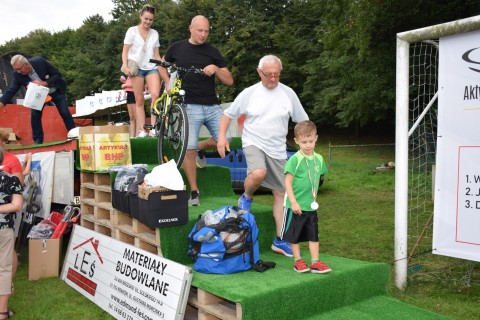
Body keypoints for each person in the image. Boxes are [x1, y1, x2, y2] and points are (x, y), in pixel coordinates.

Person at [217, 55, 308, 257]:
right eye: (269, 75)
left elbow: (302, 122)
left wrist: (307, 145)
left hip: (278, 149)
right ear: (260, 73)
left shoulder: (288, 94)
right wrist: (222, 136)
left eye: (277, 74)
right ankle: (246, 196)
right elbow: (228, 115)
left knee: (281, 194)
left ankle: (280, 240)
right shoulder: (250, 93)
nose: (273, 79)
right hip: (253, 143)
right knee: (258, 173)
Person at [162, 15, 234, 206]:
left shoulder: (212, 52)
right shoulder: (177, 48)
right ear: (190, 28)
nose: (203, 34)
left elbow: (229, 80)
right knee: (188, 149)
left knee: (227, 142)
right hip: (188, 106)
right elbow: (162, 64)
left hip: (211, 105)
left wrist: (216, 69)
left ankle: (201, 148)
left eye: (207, 31)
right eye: (200, 30)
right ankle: (194, 192)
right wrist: (168, 84)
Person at [282, 120, 330, 273]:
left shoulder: (319, 159)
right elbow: (288, 182)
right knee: (294, 235)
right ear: (296, 141)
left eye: (310, 141)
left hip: (310, 205)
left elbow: (316, 178)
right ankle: (298, 261)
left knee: (313, 234)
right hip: (294, 205)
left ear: (316, 138)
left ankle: (315, 261)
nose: (308, 145)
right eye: (304, 142)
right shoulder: (294, 160)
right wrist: (294, 202)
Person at [0, 55, 76, 145]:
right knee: (35, 115)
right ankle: (38, 140)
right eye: (16, 69)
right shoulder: (17, 75)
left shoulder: (40, 62)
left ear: (26, 64)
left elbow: (57, 74)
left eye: (19, 69)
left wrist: (44, 83)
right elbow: (12, 90)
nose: (18, 72)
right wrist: (2, 102)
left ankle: (74, 136)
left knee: (64, 112)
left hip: (55, 90)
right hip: (39, 95)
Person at [122, 4, 169, 138]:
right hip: (137, 69)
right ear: (140, 16)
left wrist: (162, 65)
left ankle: (153, 127)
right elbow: (125, 51)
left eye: (151, 20)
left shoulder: (155, 34)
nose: (148, 22)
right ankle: (143, 130)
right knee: (140, 100)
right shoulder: (132, 31)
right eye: (146, 19)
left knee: (155, 95)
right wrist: (125, 66)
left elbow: (156, 54)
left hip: (151, 68)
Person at [0, 147, 24, 320]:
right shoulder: (11, 180)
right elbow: (16, 206)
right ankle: (2, 312)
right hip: (4, 229)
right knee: (4, 269)